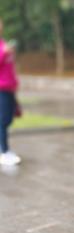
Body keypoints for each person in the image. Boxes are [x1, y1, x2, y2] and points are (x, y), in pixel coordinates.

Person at [0, 18, 21, 166]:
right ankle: (4, 151)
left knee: (8, 119)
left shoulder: (3, 43)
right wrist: (4, 53)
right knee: (2, 120)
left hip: (9, 87)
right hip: (1, 88)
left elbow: (9, 67)